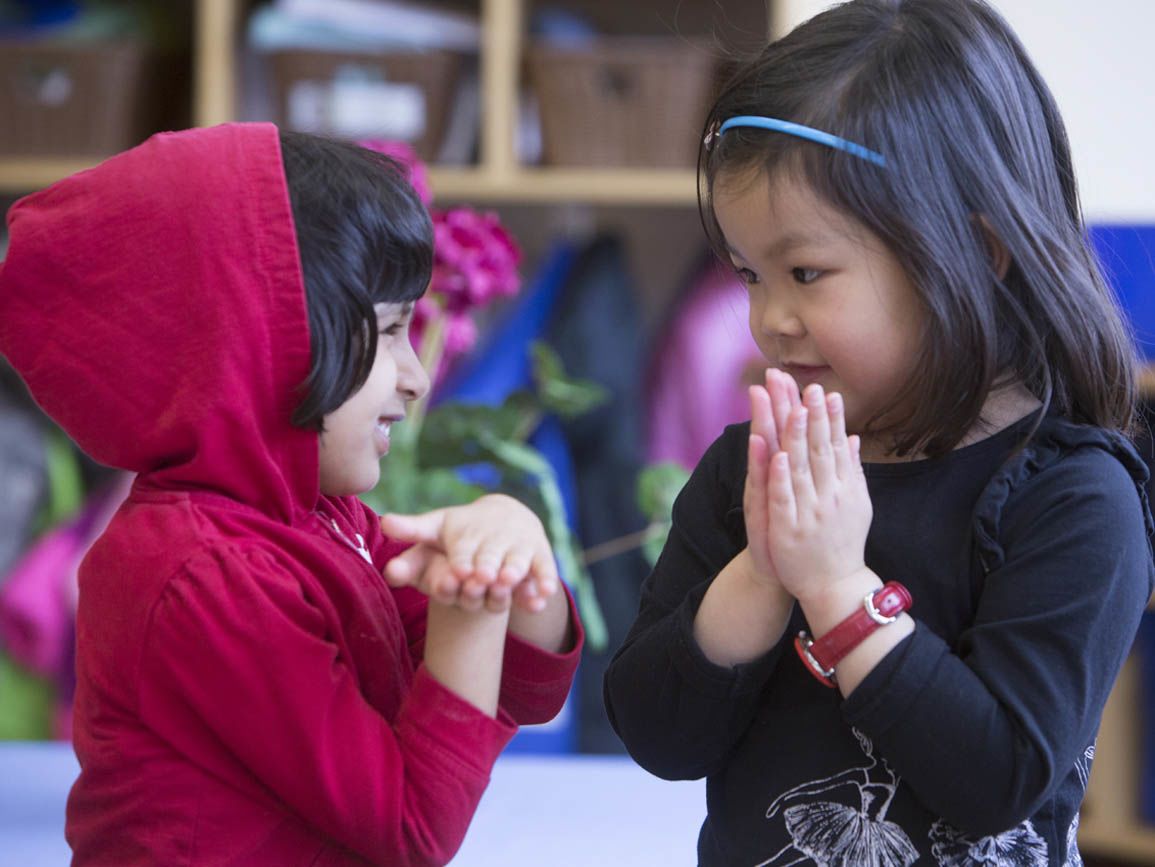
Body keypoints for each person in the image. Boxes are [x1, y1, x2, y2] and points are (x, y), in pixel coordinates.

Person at [603, 1, 1154, 865]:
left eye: (806, 272)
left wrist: (832, 585)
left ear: (978, 253)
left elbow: (996, 780)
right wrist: (760, 570)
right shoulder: (751, 473)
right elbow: (659, 735)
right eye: (749, 274)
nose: (768, 317)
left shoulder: (1073, 497)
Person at [0, 124, 582, 866]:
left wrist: (513, 550)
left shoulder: (323, 516)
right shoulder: (195, 574)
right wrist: (473, 610)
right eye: (394, 331)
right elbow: (411, 825)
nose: (418, 374)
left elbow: (524, 688)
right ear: (267, 343)